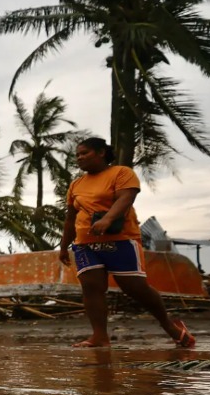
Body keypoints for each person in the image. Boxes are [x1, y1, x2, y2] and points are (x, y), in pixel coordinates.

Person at [58, 137, 195, 350]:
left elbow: (126, 198)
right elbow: (70, 217)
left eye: (84, 153)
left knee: (135, 288)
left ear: (101, 152)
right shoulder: (76, 184)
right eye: (77, 155)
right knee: (91, 287)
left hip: (120, 239)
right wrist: (64, 245)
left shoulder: (121, 173)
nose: (79, 158)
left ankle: (170, 327)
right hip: (85, 242)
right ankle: (99, 336)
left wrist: (107, 219)